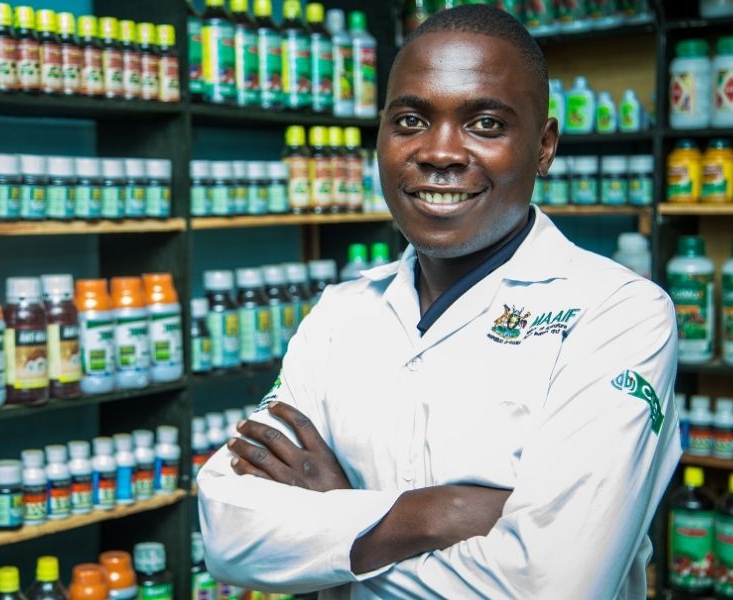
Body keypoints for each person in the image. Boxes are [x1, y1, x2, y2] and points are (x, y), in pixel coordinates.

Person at [196, 5, 680, 599]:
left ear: (545, 145)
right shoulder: (339, 314)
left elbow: (553, 586)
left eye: (485, 124)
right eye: (410, 120)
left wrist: (334, 523)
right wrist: (441, 513)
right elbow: (229, 534)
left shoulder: (620, 312)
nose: (441, 153)